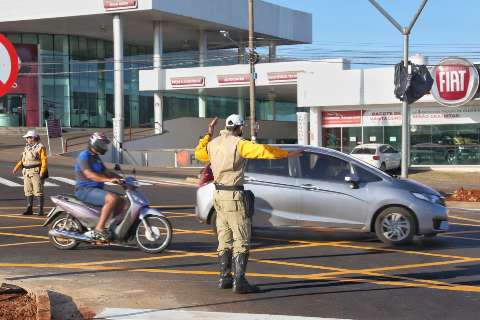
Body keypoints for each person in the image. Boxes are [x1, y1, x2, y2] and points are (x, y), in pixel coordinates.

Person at [195, 115, 304, 294]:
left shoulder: (213, 143)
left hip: (218, 196)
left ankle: (224, 277)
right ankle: (240, 281)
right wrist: (287, 154)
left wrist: (208, 133)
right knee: (242, 239)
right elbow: (263, 151)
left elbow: (199, 153)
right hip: (233, 196)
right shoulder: (240, 144)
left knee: (224, 238)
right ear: (240, 128)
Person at [74, 132, 124, 241]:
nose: (104, 147)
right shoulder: (84, 156)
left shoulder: (96, 157)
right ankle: (99, 229)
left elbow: (106, 172)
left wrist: (122, 179)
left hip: (95, 189)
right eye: (102, 144)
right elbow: (89, 175)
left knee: (121, 200)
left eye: (104, 145)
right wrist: (109, 180)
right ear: (94, 143)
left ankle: (114, 227)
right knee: (112, 199)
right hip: (84, 190)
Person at [12, 130, 48, 216]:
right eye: (27, 138)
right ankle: (29, 208)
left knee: (38, 190)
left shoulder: (40, 147)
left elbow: (44, 160)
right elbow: (23, 160)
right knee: (27, 190)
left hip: (36, 171)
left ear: (33, 138)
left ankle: (40, 209)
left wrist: (42, 171)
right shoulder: (27, 147)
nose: (27, 139)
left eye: (28, 137)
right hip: (26, 171)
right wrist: (16, 167)